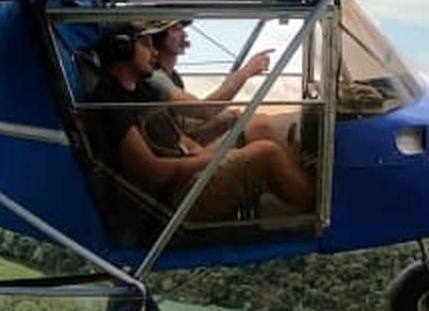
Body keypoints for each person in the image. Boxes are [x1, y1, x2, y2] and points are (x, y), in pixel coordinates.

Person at [87, 22, 313, 221]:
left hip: (188, 169)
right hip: (175, 197)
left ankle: (296, 180)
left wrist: (205, 155)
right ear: (123, 48)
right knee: (266, 153)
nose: (153, 51)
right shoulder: (110, 103)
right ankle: (315, 205)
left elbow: (178, 137)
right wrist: (209, 160)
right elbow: (153, 174)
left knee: (259, 125)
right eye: (146, 44)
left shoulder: (142, 92)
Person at [146, 20, 291, 147]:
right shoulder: (155, 77)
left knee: (242, 118)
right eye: (176, 29)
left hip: (183, 139)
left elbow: (183, 122)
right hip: (181, 149)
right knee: (261, 126)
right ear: (158, 37)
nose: (184, 35)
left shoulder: (173, 76)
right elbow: (203, 111)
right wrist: (246, 72)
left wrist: (226, 117)